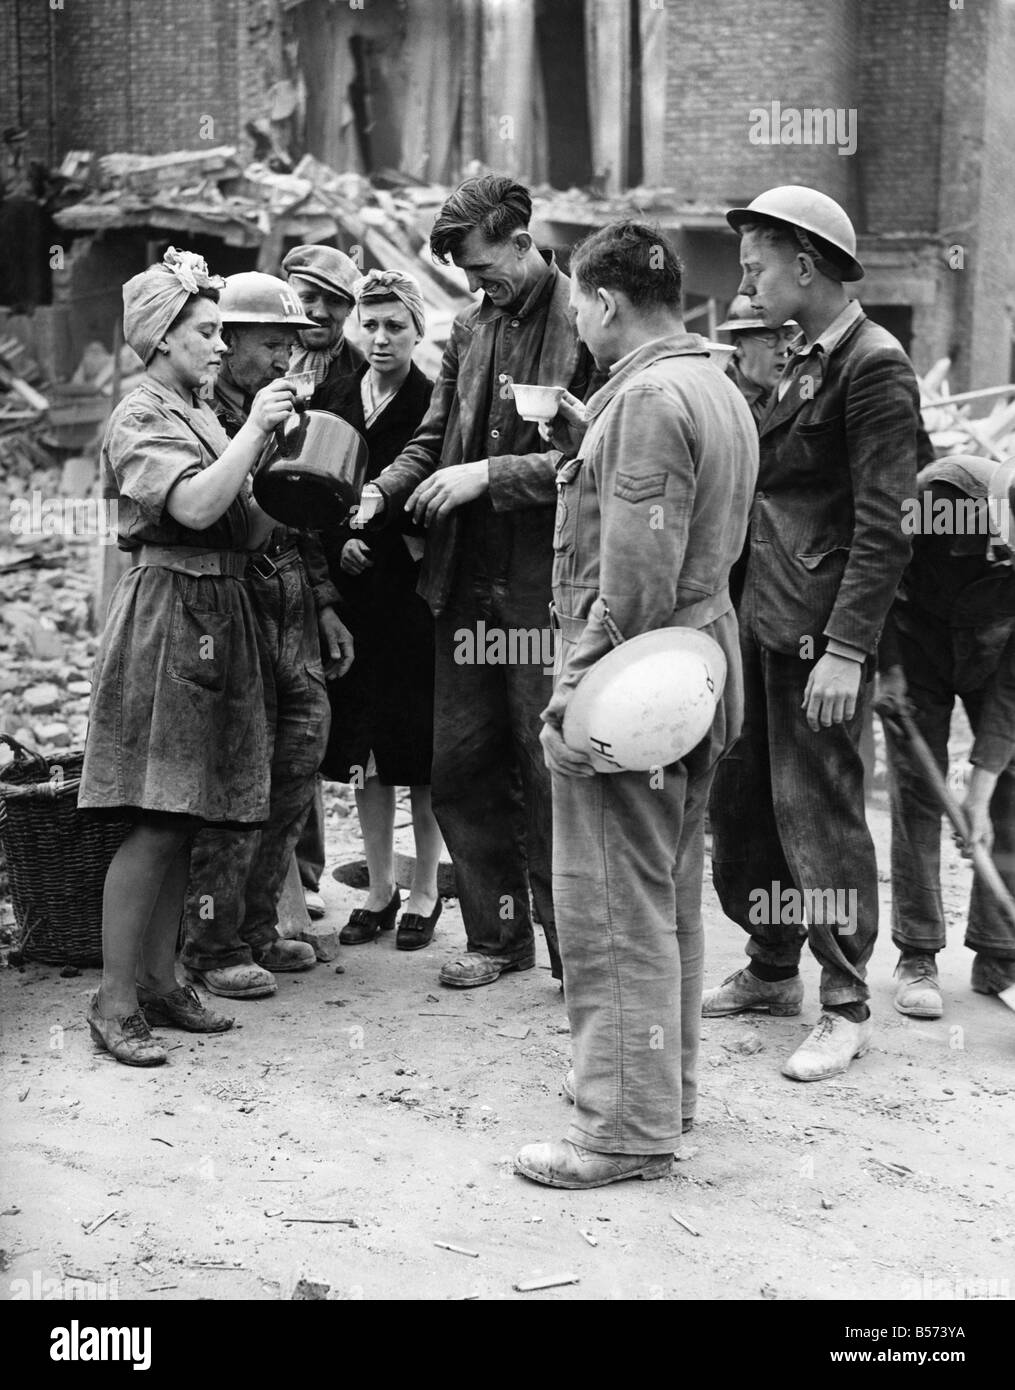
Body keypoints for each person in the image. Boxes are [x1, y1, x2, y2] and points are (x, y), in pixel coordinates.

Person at [511, 222, 758, 1188]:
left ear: (605, 303)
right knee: (662, 897)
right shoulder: (707, 382)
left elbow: (638, 581)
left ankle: (618, 1132)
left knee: (610, 906)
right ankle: (666, 1095)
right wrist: (591, 445)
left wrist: (572, 698)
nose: (574, 316)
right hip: (697, 669)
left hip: (638, 681)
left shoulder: (650, 399)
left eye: (577, 301)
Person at [353, 175, 596, 989]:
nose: (478, 287)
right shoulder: (467, 330)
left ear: (522, 242)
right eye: (466, 276)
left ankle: (573, 952)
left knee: (547, 767)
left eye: (486, 270)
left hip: (542, 587)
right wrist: (384, 489)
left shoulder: (583, 321)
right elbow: (431, 441)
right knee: (460, 765)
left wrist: (488, 476)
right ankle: (495, 938)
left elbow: (589, 456)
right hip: (464, 585)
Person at [704, 185, 921, 1080]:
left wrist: (845, 648)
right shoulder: (800, 359)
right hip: (760, 621)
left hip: (816, 640)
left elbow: (887, 523)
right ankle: (767, 967)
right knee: (745, 805)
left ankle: (842, 1001)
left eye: (757, 266)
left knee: (819, 812)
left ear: (804, 266)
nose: (747, 281)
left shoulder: (874, 365)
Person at [77, 248, 296, 1065]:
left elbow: (247, 518)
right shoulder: (141, 414)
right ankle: (113, 999)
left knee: (186, 810)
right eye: (206, 331)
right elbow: (198, 505)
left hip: (218, 607)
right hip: (169, 614)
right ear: (164, 338)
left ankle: (163, 980)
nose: (218, 344)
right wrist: (253, 432)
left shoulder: (196, 408)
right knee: (156, 814)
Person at [180, 271, 354, 1001]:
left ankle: (255, 926)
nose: (286, 358)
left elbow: (299, 513)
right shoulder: (205, 414)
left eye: (293, 345)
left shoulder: (278, 408)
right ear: (231, 341)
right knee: (235, 776)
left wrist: (323, 602)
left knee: (297, 758)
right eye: (273, 343)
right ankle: (209, 943)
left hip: (290, 608)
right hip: (233, 609)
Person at [316, 269, 442, 950]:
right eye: (371, 324)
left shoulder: (430, 402)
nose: (382, 337)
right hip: (353, 601)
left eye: (396, 325)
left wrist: (380, 542)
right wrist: (341, 547)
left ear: (418, 330)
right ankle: (379, 887)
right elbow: (313, 489)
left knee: (414, 748)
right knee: (362, 745)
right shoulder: (337, 394)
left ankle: (426, 890)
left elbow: (432, 498)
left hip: (410, 601)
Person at [878, 455, 1015, 1016]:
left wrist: (978, 795)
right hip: (917, 648)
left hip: (995, 649)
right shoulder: (942, 495)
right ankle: (917, 953)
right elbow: (879, 570)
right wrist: (886, 667)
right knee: (917, 791)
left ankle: (1000, 954)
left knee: (1009, 782)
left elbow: (1013, 690)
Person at [281, 243, 366, 917]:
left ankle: (302, 874)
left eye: (330, 302)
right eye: (304, 297)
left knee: (306, 719)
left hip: (331, 561)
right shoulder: (254, 363)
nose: (314, 312)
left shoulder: (357, 379)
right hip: (262, 555)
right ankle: (267, 881)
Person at [282, 243, 366, 403]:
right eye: (308, 298)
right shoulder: (260, 354)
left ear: (350, 308)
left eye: (334, 301)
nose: (320, 313)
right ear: (289, 297)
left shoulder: (364, 374)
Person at [716, 293, 798, 426]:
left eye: (789, 337)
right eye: (771, 339)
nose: (784, 350)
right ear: (739, 346)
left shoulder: (801, 389)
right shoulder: (721, 397)